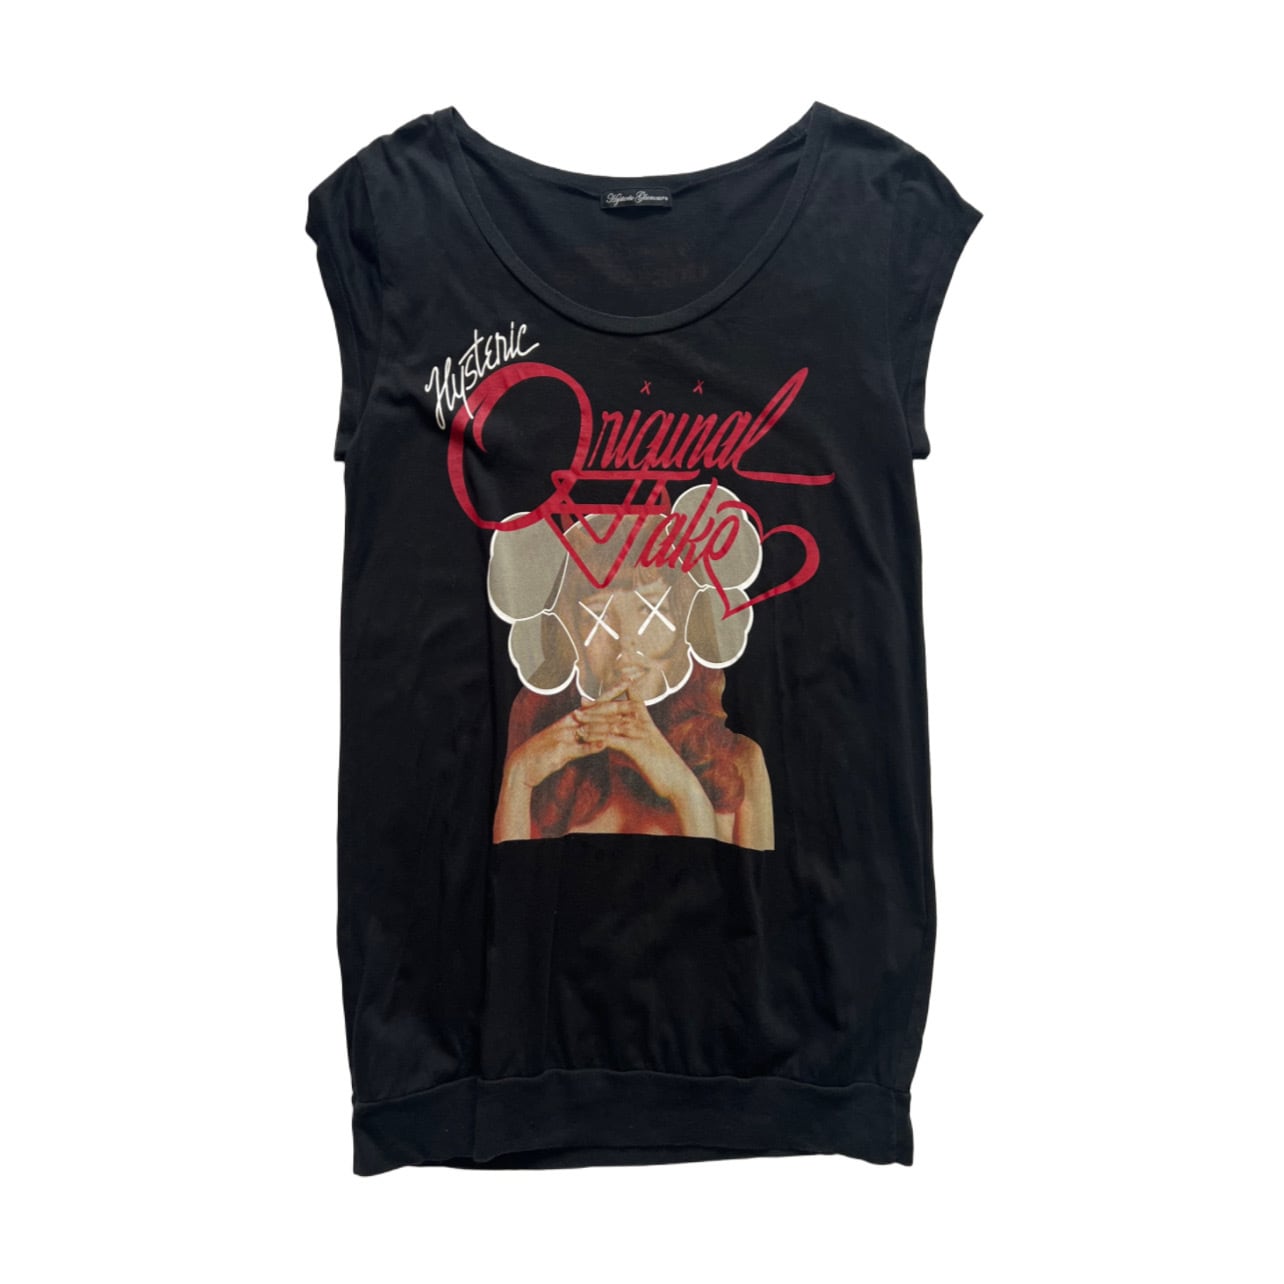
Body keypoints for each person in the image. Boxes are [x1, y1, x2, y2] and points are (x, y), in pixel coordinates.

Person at [492, 511, 775, 849]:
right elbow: (510, 878)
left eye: (651, 610)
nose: (626, 642)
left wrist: (684, 790)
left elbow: (727, 882)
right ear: (571, 633)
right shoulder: (540, 751)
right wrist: (518, 776)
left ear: (685, 621)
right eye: (597, 614)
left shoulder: (741, 762)